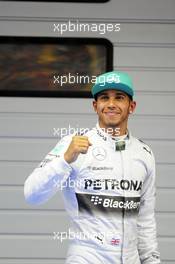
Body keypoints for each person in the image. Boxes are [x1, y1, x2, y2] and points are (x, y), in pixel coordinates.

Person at [24, 71, 161, 264]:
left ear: (132, 106)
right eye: (104, 98)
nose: (111, 104)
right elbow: (32, 194)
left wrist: (151, 261)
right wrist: (64, 160)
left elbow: (145, 219)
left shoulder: (144, 153)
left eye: (119, 98)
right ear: (95, 106)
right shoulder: (72, 144)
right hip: (87, 257)